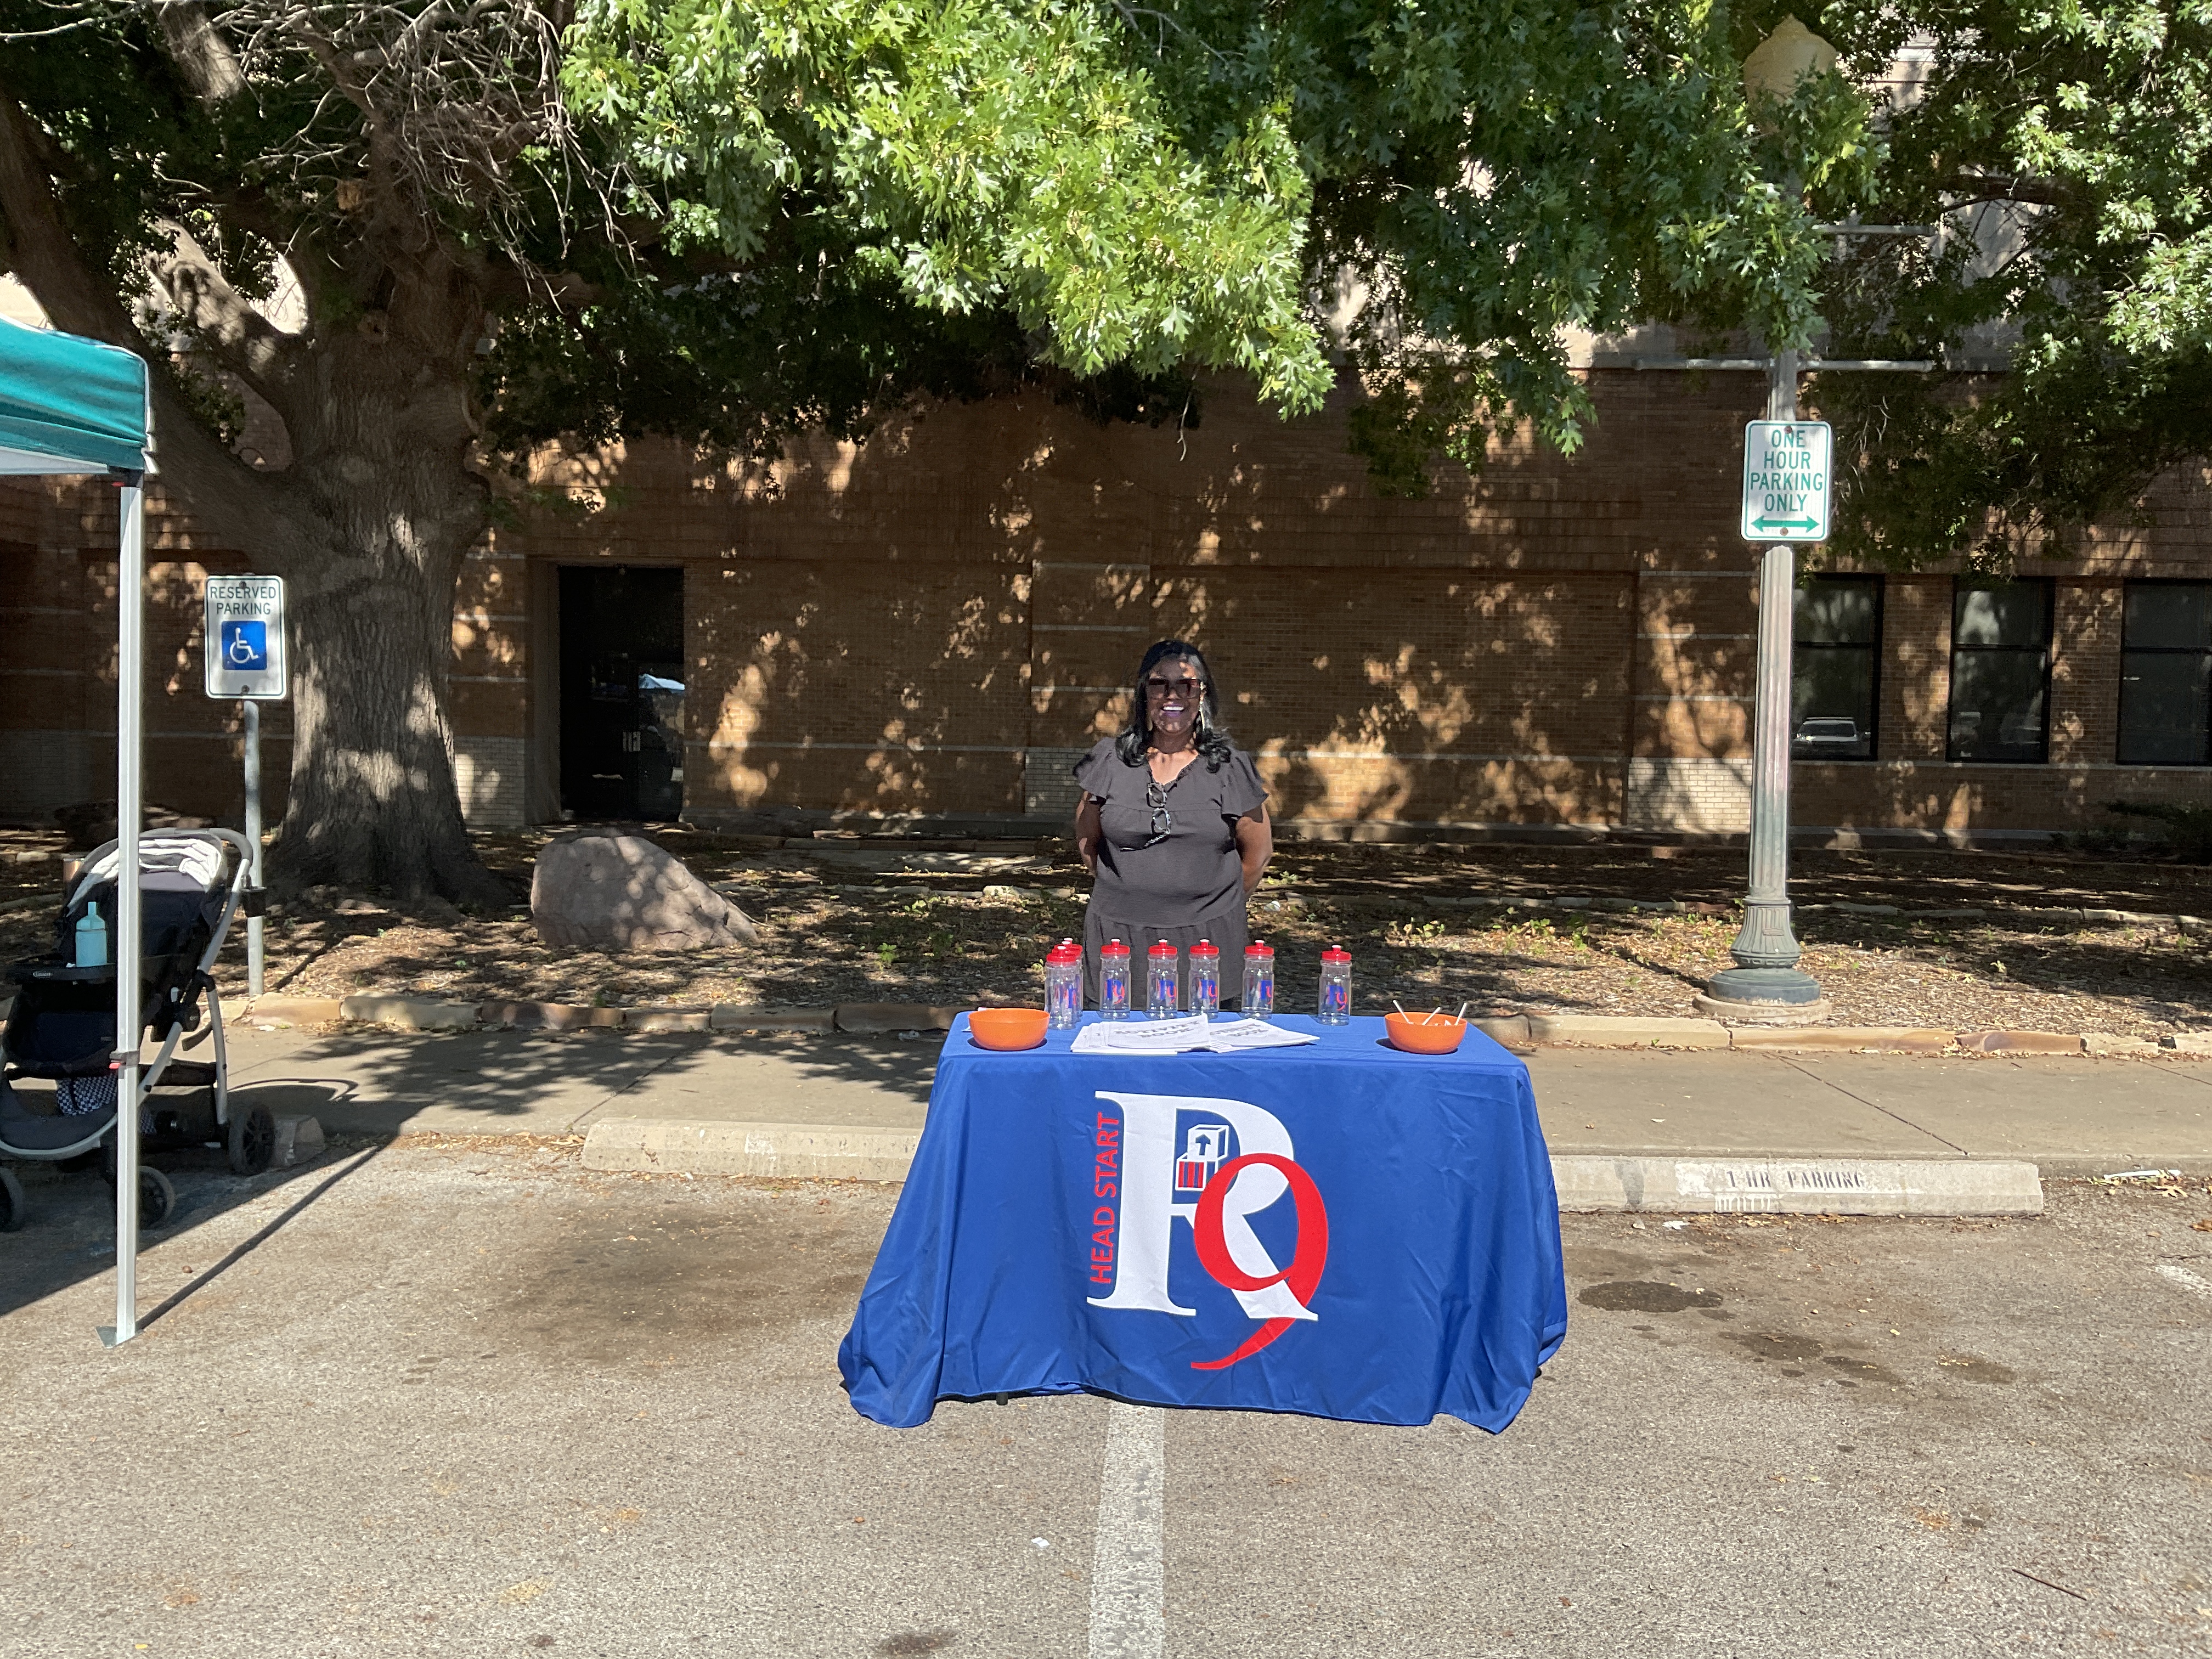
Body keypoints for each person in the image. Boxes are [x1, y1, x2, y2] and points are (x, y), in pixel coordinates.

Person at [1073, 639, 1273, 1008]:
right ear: (1143, 693)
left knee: (1205, 1041)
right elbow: (1088, 841)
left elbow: (1257, 856)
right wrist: (1132, 893)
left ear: (1202, 693)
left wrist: (1204, 906)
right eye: (1159, 684)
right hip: (1118, 940)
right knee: (1117, 1039)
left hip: (1208, 943)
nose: (1172, 695)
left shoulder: (1231, 767)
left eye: (1186, 684)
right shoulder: (1109, 760)